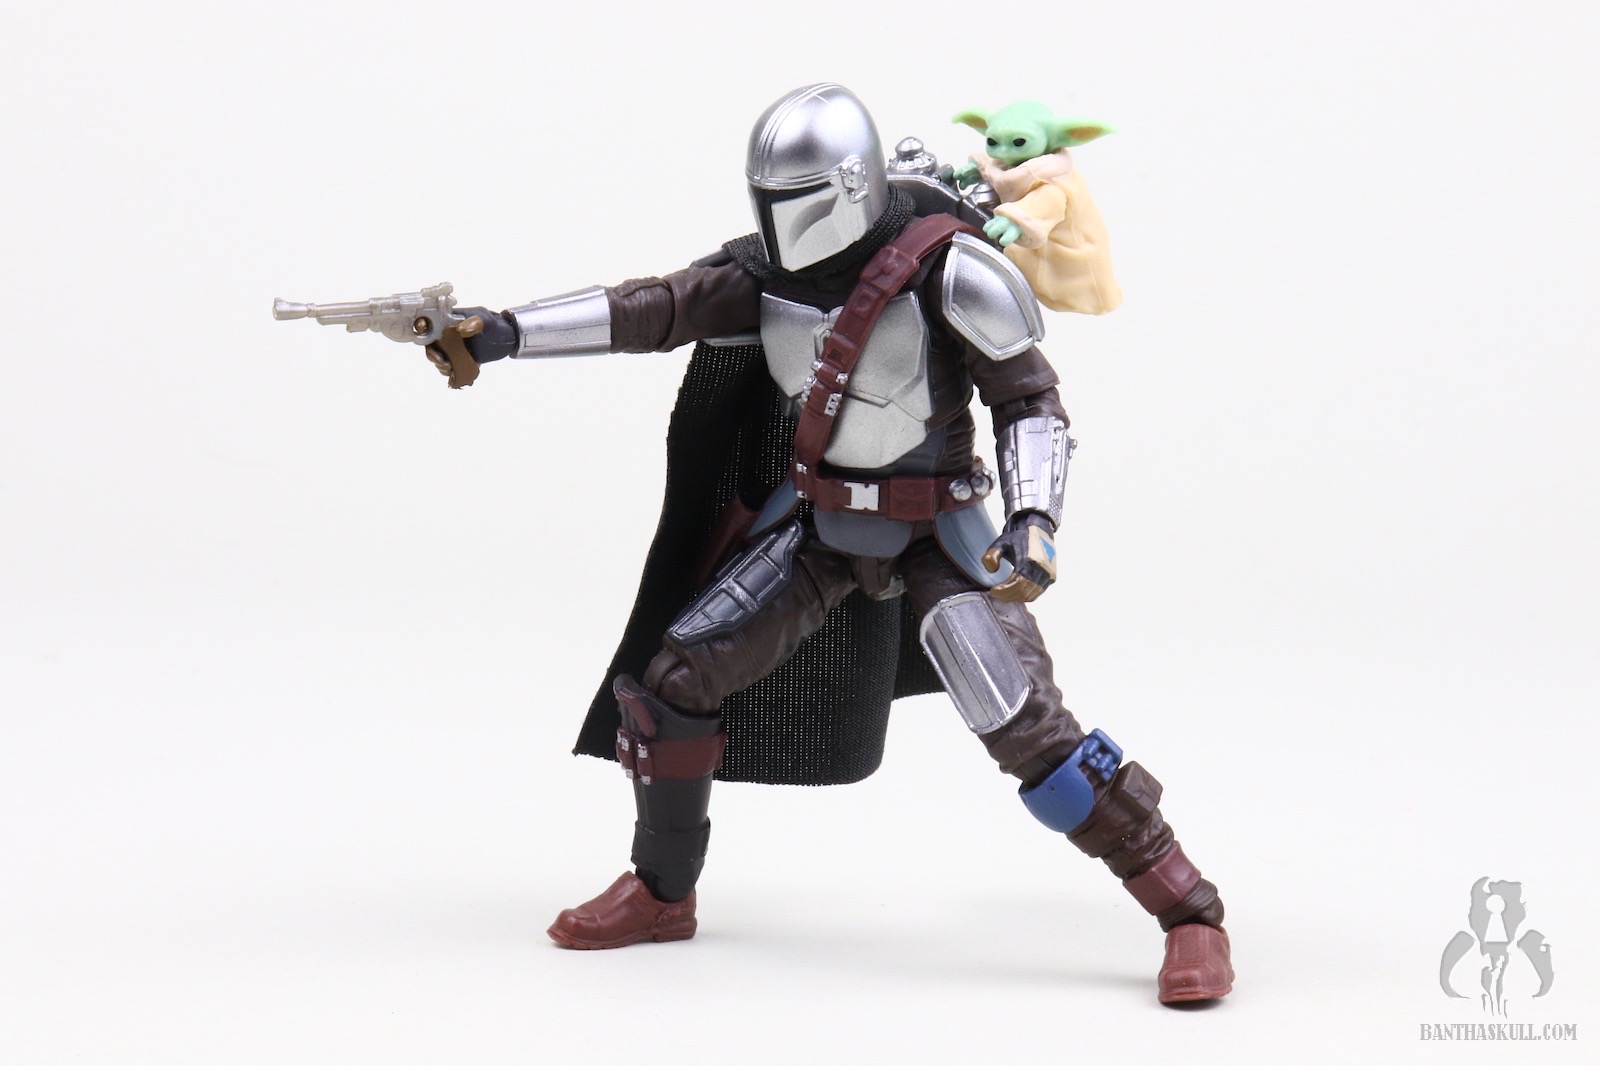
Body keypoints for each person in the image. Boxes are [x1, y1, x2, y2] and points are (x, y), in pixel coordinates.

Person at [440, 83, 1232, 1004]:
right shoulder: (760, 277)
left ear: (850, 187)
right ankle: (661, 892)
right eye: (770, 201)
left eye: (799, 200)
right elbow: (649, 309)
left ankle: (1189, 911)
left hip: (937, 528)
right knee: (674, 685)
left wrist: (1034, 520)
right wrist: (505, 333)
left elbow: (1029, 401)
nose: (783, 223)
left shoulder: (951, 270)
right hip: (823, 525)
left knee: (1027, 728)